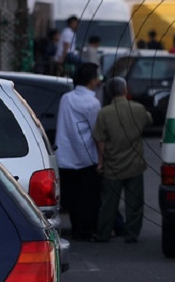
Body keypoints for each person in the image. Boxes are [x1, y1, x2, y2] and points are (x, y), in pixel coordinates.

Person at [93, 77, 152, 243]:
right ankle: (131, 234)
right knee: (134, 203)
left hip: (113, 165)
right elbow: (149, 119)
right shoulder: (138, 109)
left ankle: (104, 233)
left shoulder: (104, 113)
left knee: (109, 203)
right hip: (135, 164)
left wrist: (101, 162)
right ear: (125, 90)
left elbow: (100, 140)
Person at [54, 62, 102, 241]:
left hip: (65, 155)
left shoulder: (66, 98)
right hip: (86, 156)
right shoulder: (93, 103)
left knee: (72, 197)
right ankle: (85, 231)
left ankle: (76, 229)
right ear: (92, 80)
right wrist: (101, 159)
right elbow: (96, 132)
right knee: (88, 197)